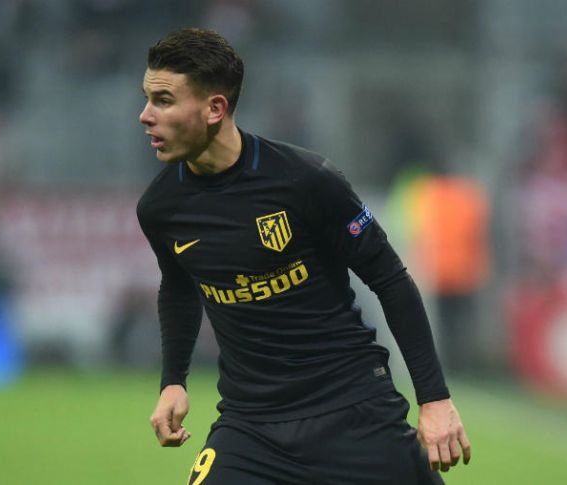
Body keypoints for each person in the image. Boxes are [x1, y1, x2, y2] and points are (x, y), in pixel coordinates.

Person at [136, 27, 471, 485]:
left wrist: (434, 399)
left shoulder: (306, 180)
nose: (145, 116)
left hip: (353, 413)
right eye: (147, 99)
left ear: (215, 108)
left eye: (163, 100)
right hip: (250, 426)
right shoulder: (161, 208)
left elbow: (390, 278)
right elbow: (178, 288)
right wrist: (173, 380)